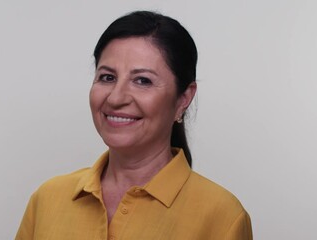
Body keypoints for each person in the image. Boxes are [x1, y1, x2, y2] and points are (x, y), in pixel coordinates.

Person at [16, 10, 252, 240]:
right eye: (107, 77)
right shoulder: (47, 199)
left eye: (143, 80)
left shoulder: (222, 217)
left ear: (183, 99)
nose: (116, 98)